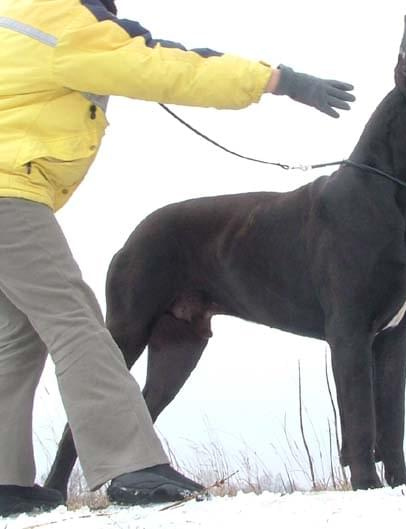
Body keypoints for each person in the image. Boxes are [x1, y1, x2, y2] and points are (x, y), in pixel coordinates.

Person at [0, 0, 355, 517]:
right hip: (8, 194)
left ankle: (5, 481)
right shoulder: (68, 27)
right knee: (73, 317)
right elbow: (171, 68)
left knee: (20, 333)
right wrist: (277, 80)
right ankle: (130, 465)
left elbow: (144, 51)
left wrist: (119, 39)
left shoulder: (18, 16)